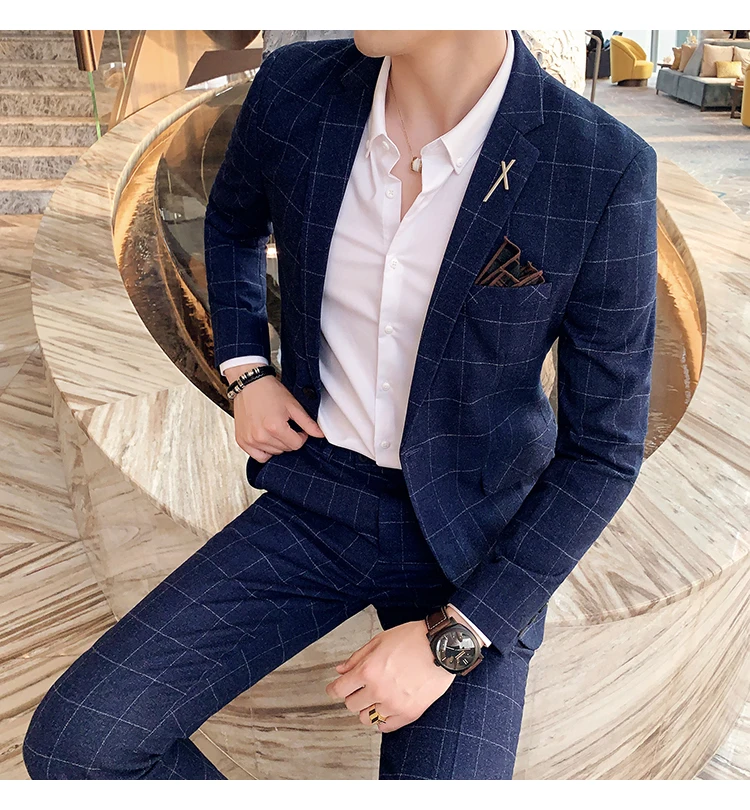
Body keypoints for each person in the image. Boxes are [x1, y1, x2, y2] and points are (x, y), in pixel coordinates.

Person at [23, 29, 657, 780]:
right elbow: (230, 221)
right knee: (77, 747)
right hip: (322, 495)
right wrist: (245, 368)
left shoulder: (599, 165)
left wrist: (455, 637)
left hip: (473, 542)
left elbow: (603, 450)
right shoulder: (298, 87)